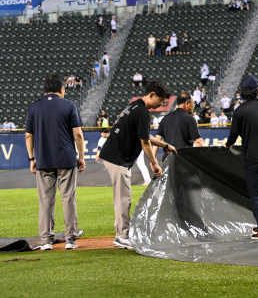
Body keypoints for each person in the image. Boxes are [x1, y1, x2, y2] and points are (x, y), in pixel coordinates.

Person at [98, 81, 175, 250]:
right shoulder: (142, 112)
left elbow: (145, 135)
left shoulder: (134, 106)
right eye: (161, 100)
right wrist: (154, 164)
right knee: (123, 198)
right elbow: (145, 142)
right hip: (116, 157)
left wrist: (165, 145)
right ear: (152, 95)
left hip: (113, 154)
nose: (161, 104)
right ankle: (122, 236)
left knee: (121, 196)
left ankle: (121, 232)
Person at [25, 74, 85, 251]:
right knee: (68, 199)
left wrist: (31, 158)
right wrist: (81, 156)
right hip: (66, 159)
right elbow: (78, 134)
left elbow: (29, 135)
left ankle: (45, 241)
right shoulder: (69, 105)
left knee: (46, 201)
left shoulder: (35, 107)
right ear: (62, 89)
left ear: (45, 89)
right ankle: (70, 240)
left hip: (43, 160)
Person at [224, 76, 258, 240]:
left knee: (255, 195)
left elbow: (233, 135)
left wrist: (227, 145)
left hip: (256, 157)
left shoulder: (239, 111)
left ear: (242, 92)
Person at [153, 92, 204, 161]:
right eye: (193, 103)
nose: (194, 106)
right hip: (183, 159)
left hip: (167, 159)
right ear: (187, 103)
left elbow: (156, 141)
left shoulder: (165, 118)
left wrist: (153, 161)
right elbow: (198, 142)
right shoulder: (190, 118)